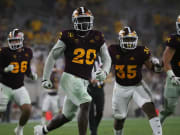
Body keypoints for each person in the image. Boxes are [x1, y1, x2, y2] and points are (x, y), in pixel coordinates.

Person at [34, 6, 111, 135]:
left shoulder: (97, 36)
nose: (84, 23)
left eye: (86, 19)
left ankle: (42, 130)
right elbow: (52, 56)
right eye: (81, 20)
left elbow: (107, 58)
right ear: (74, 21)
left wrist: (104, 71)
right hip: (70, 77)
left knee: (67, 116)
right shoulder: (68, 35)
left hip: (84, 82)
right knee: (86, 101)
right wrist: (45, 78)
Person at [108, 26, 163, 135]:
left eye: (131, 40)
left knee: (150, 108)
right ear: (120, 40)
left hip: (137, 85)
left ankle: (158, 134)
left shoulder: (141, 51)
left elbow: (152, 68)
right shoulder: (113, 50)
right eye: (127, 39)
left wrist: (157, 66)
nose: (129, 42)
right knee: (120, 118)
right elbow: (106, 65)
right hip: (120, 88)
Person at [0, 28, 38, 135]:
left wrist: (30, 75)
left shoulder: (28, 52)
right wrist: (5, 70)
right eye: (12, 41)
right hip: (4, 86)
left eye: (16, 40)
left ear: (21, 40)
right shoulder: (4, 52)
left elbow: (26, 69)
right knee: (0, 111)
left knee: (27, 110)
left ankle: (19, 129)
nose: (14, 43)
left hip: (19, 87)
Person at [159, 15, 180, 124]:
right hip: (174, 78)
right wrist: (171, 76)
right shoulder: (174, 40)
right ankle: (157, 128)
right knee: (169, 109)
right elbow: (165, 62)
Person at [87, 56, 105, 135]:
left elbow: (104, 69)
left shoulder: (100, 57)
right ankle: (93, 131)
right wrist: (90, 80)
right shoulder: (85, 57)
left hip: (99, 88)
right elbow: (82, 71)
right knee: (90, 111)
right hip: (89, 88)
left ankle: (94, 128)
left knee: (100, 111)